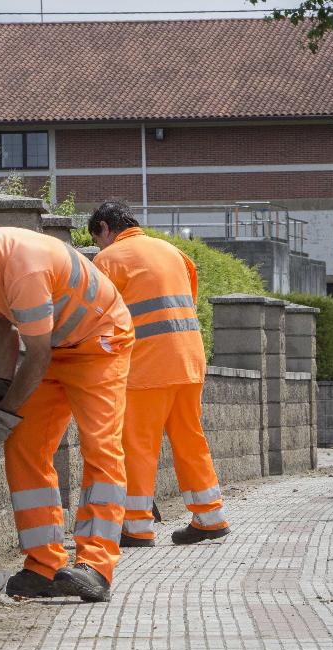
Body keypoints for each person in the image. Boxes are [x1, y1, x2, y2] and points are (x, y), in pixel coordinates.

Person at [0, 217, 132, 602]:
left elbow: (36, 355)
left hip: (99, 340)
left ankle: (96, 568)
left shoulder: (23, 266)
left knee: (100, 446)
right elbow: (0, 323)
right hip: (53, 348)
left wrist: (7, 410)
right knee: (23, 446)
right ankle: (44, 565)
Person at [88, 201, 230, 547]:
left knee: (137, 446)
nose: (99, 246)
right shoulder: (173, 252)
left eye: (97, 238)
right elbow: (187, 304)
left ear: (105, 228)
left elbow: (98, 320)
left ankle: (135, 527)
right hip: (188, 361)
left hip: (146, 368)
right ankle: (210, 517)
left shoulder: (107, 261)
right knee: (190, 439)